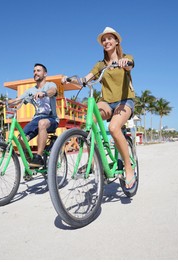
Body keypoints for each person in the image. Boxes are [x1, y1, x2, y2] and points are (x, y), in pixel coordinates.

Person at [62, 27, 136, 191]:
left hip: (125, 101)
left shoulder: (126, 58)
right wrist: (69, 80)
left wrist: (125, 63)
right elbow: (85, 79)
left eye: (110, 38)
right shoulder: (100, 65)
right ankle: (96, 161)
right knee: (89, 122)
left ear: (116, 41)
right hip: (107, 102)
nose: (106, 41)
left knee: (113, 127)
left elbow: (130, 65)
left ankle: (129, 170)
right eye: (104, 39)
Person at [0, 63, 58, 168]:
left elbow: (53, 91)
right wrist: (4, 102)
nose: (35, 73)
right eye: (34, 71)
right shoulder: (30, 91)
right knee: (20, 139)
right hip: (36, 119)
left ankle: (38, 157)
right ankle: (30, 162)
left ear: (45, 73)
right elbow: (17, 100)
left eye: (38, 70)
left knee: (42, 123)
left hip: (51, 119)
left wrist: (44, 93)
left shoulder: (50, 85)